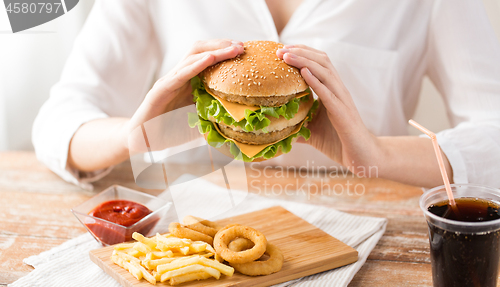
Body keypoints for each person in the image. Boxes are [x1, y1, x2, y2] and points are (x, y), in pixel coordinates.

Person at [32, 0, 500, 189]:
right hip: (193, 227)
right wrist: (137, 137)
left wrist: (379, 154)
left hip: (374, 237)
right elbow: (59, 119)